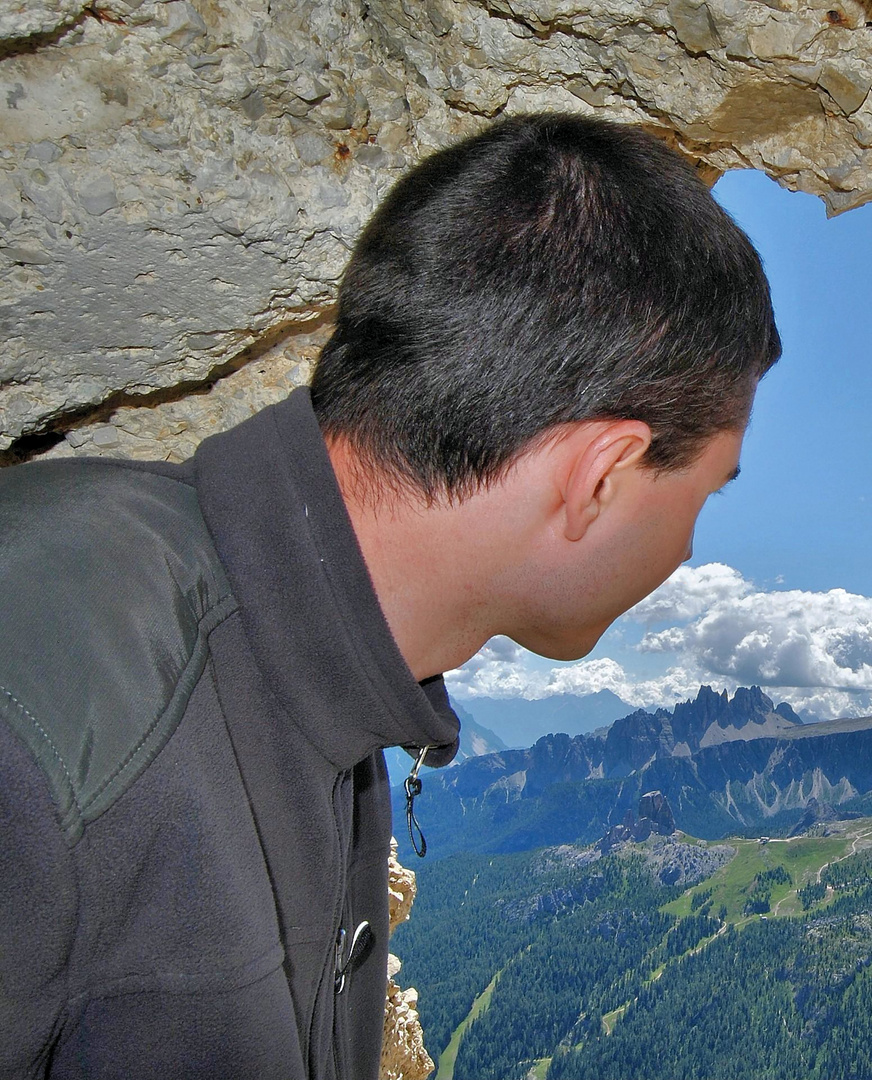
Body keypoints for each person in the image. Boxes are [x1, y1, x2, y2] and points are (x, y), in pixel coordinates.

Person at [0, 113, 780, 1079]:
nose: (692, 545)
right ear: (602, 476)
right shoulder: (46, 687)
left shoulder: (312, 674)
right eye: (704, 490)